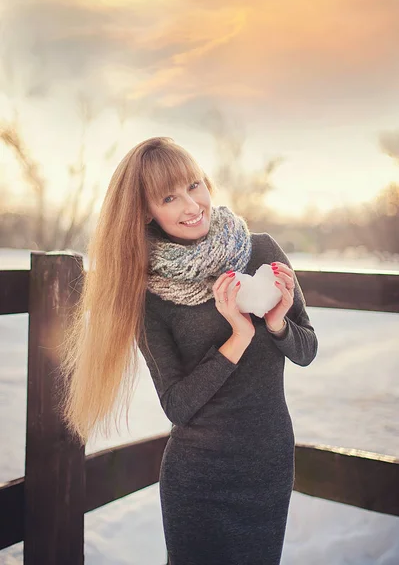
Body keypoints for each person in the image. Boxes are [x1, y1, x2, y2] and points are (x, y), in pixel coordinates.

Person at [60, 136, 318, 565]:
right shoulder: (145, 294)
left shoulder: (262, 251)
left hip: (267, 463)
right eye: (169, 197)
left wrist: (277, 324)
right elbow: (178, 405)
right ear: (145, 212)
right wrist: (237, 338)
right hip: (198, 477)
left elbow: (307, 349)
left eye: (195, 185)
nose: (192, 204)